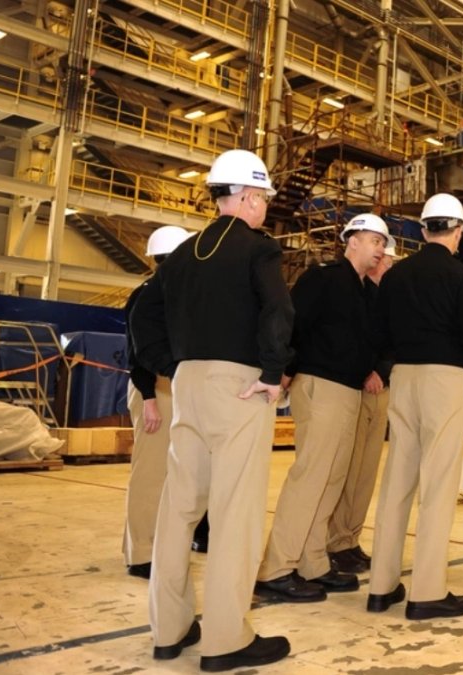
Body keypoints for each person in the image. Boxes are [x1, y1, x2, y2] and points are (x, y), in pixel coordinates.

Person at [130, 148, 293, 671]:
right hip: (238, 386)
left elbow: (142, 316)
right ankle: (225, 639)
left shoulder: (182, 254)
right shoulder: (257, 249)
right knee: (234, 513)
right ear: (247, 195)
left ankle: (169, 629)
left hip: (189, 384)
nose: (265, 205)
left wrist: (170, 365)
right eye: (263, 196)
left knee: (179, 509)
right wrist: (272, 372)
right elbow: (278, 309)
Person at [364, 193, 463, 620]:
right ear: (458, 231)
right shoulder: (461, 276)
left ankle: (381, 587)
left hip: (404, 379)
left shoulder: (396, 276)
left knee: (397, 481)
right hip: (443, 380)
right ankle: (427, 592)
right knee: (437, 484)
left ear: (423, 230)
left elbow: (378, 334)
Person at [254, 213, 391, 602]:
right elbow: (293, 323)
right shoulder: (324, 277)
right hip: (322, 385)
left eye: (383, 243)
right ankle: (276, 568)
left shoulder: (363, 289)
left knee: (331, 480)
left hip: (347, 390)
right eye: (375, 240)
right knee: (311, 477)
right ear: (352, 241)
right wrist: (283, 370)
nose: (380, 249)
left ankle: (312, 562)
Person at [122, 225, 193, 580]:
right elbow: (136, 352)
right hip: (154, 387)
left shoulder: (173, 293)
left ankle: (161, 546)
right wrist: (149, 397)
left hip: (173, 386)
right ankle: (141, 553)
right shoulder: (149, 295)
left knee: (172, 474)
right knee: (150, 474)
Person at [328, 244, 397, 575]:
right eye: (384, 261)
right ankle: (337, 541)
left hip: (382, 387)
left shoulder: (386, 296)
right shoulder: (359, 292)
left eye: (390, 261)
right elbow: (358, 338)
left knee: (366, 473)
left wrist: (383, 372)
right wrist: (371, 371)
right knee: (350, 470)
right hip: (362, 385)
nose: (387, 266)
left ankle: (350, 539)